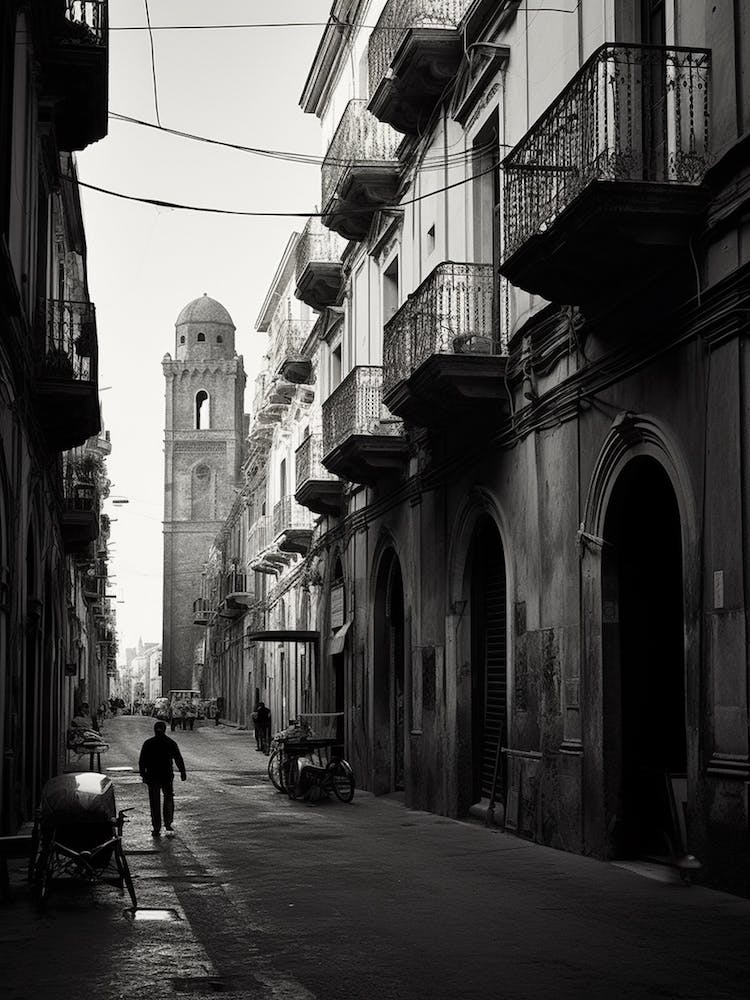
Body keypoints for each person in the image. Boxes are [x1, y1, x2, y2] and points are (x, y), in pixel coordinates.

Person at [138, 720, 187, 838]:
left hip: (152, 776)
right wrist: (182, 772)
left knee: (154, 802)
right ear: (165, 730)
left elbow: (142, 761)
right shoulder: (170, 743)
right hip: (166, 775)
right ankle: (168, 823)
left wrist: (143, 775)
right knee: (168, 798)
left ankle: (156, 827)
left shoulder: (148, 743)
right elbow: (178, 758)